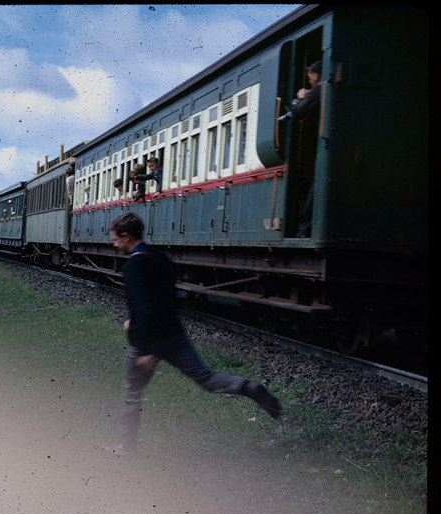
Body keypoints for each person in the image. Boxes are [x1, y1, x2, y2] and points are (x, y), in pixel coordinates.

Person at [107, 212, 281, 455]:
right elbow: (174, 298)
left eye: (116, 240)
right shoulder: (160, 257)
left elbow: (145, 307)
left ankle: (126, 448)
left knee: (132, 393)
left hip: (148, 342)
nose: (115, 245)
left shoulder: (133, 266)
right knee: (205, 378)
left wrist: (145, 348)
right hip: (175, 335)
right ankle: (248, 388)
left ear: (126, 236)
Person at [289, 61, 322, 238]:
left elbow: (298, 112)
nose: (309, 82)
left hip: (321, 147)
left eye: (310, 78)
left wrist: (300, 98)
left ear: (316, 76)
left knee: (316, 186)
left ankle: (305, 229)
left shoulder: (318, 90)